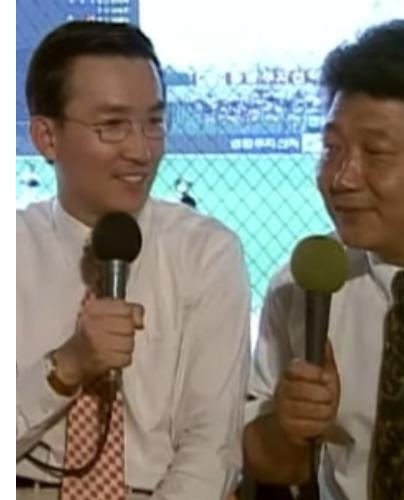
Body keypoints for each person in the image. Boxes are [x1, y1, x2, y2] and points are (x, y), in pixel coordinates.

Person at [16, 21, 251, 500]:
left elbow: (211, 450)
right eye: (112, 126)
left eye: (154, 123)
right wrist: (67, 366)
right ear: (46, 137)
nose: (141, 150)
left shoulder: (207, 254)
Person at [244, 19, 404, 500]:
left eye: (376, 153)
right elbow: (271, 465)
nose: (341, 178)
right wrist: (287, 428)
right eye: (332, 149)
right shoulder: (302, 288)